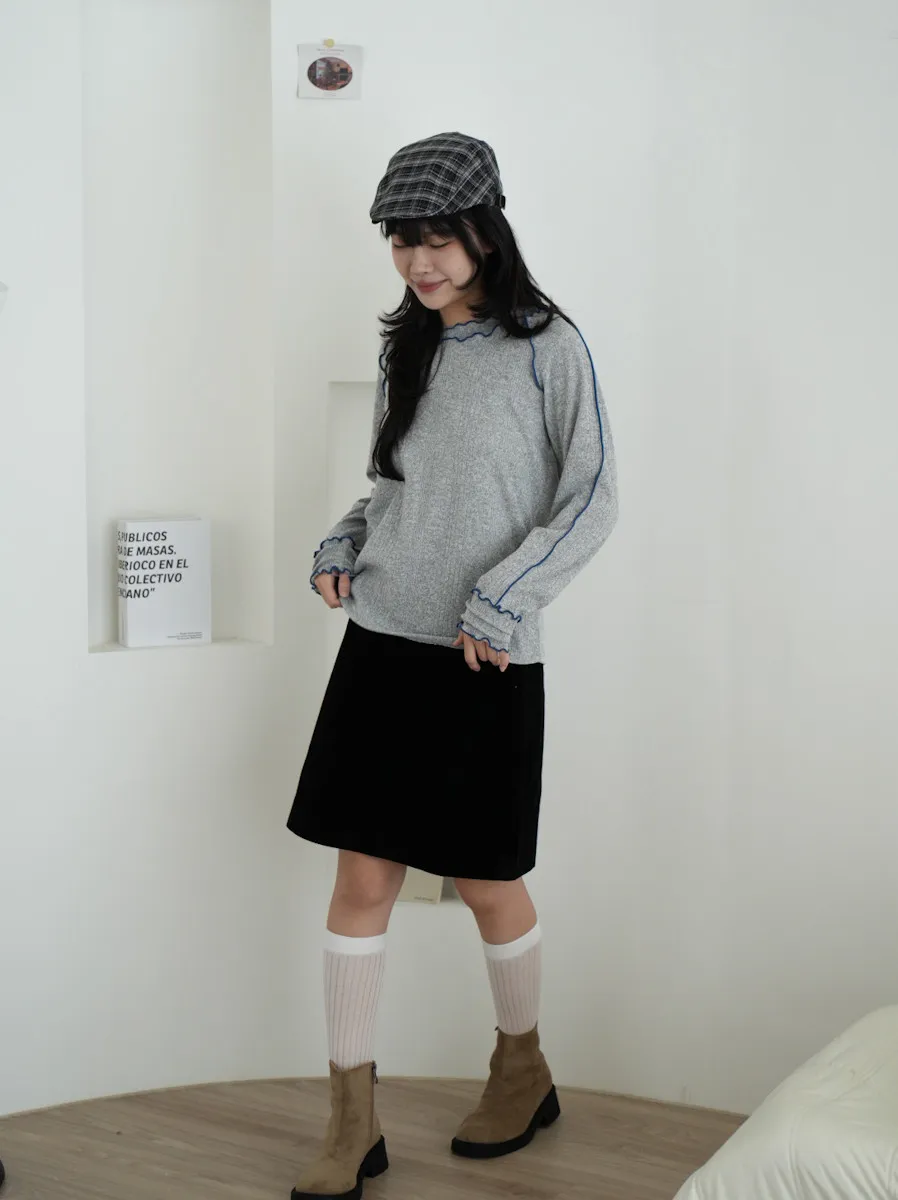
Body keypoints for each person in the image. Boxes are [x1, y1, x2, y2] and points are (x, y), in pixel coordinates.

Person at [286, 131, 619, 1200]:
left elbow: (591, 498)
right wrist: (342, 543)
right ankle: (351, 1120)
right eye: (401, 242)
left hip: (483, 655)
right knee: (360, 882)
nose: (418, 262)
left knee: (485, 882)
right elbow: (391, 487)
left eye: (437, 240)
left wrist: (503, 598)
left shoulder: (547, 346)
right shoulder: (412, 347)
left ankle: (522, 1072)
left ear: (485, 232)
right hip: (382, 644)